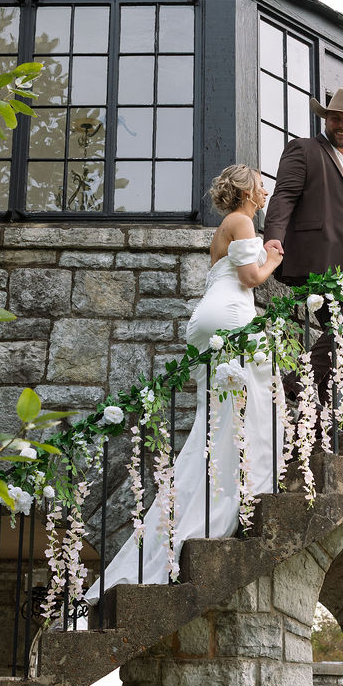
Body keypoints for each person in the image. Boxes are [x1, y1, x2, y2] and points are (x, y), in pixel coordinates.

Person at [85, 165, 284, 596]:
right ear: (248, 190)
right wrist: (273, 258)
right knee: (255, 396)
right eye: (261, 183)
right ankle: (241, 491)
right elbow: (251, 279)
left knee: (214, 423)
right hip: (230, 313)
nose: (265, 190)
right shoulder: (242, 219)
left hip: (208, 317)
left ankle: (211, 496)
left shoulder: (224, 229)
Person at [263, 87, 343, 393]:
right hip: (318, 258)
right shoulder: (304, 149)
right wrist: (272, 237)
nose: (341, 125)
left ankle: (311, 399)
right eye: (335, 119)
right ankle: (298, 383)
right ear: (326, 119)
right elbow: (283, 196)